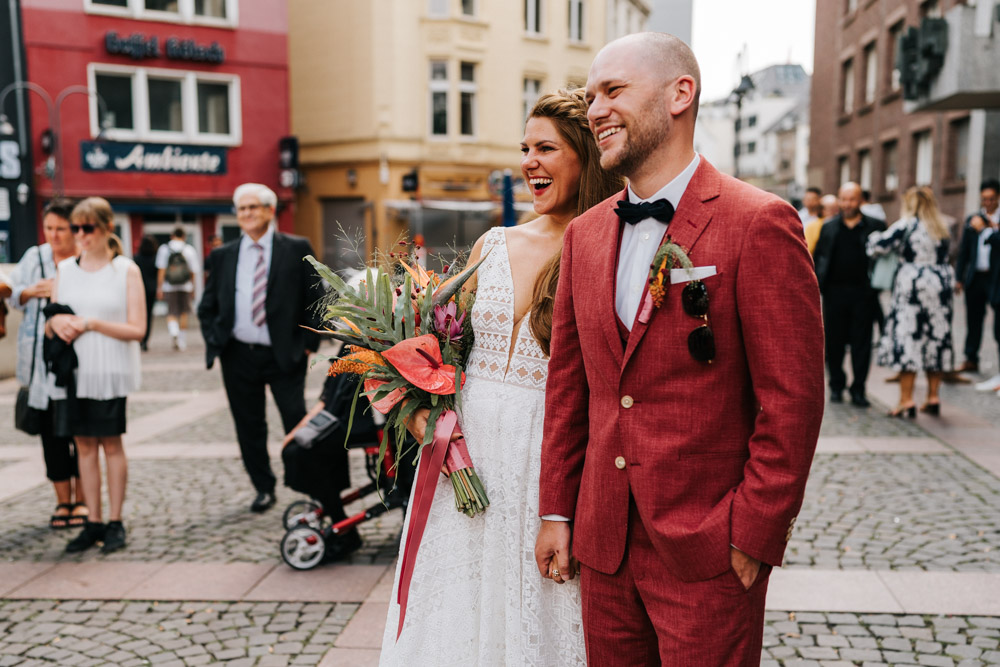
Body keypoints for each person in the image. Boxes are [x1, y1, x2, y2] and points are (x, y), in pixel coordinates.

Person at [534, 34, 824, 664]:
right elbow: (569, 389)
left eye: (613, 91)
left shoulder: (759, 222)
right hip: (603, 546)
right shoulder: (584, 237)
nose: (595, 110)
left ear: (679, 95)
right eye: (590, 97)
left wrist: (753, 532)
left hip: (708, 551)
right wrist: (557, 511)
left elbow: (793, 399)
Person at [379, 89, 623, 665]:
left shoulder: (608, 247)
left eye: (546, 148)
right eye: (525, 149)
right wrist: (415, 407)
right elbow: (428, 338)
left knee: (533, 602)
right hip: (463, 453)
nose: (528, 162)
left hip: (546, 454)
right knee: (454, 600)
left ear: (584, 158)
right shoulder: (493, 243)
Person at [198, 183, 324, 513]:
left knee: (296, 420)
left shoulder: (296, 248)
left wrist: (309, 344)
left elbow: (317, 298)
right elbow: (207, 304)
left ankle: (309, 484)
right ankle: (263, 487)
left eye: (253, 207)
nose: (247, 214)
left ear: (269, 211)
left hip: (284, 353)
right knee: (248, 425)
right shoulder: (223, 255)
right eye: (241, 209)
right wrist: (216, 340)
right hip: (237, 354)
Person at [46, 197, 145, 553]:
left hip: (110, 369)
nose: (81, 235)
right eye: (76, 228)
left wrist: (92, 323)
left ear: (106, 229)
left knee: (111, 444)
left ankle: (115, 521)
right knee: (83, 448)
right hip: (74, 372)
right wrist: (55, 321)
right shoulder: (65, 270)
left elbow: (138, 328)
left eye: (88, 227)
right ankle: (93, 521)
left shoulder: (125, 270)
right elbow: (51, 321)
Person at [8, 199, 87, 529]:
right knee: (50, 436)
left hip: (78, 359)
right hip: (39, 362)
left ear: (76, 228)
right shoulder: (34, 257)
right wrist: (29, 292)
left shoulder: (85, 257)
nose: (54, 236)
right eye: (49, 228)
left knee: (81, 433)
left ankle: (84, 499)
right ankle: (62, 501)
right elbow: (12, 295)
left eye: (61, 229)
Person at [867, 187, 955, 416]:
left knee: (909, 338)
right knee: (937, 338)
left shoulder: (906, 225)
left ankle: (906, 400)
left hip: (913, 286)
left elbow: (878, 246)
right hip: (940, 284)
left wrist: (873, 236)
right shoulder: (942, 226)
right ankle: (933, 396)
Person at [813, 182, 886, 407]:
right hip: (834, 294)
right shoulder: (829, 227)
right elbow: (819, 257)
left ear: (860, 200)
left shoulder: (875, 226)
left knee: (861, 344)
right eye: (843, 199)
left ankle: (859, 389)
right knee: (834, 343)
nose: (847, 204)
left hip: (864, 294)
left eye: (852, 199)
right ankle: (836, 385)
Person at [955, 179, 1000, 384]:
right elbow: (963, 250)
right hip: (976, 276)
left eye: (991, 199)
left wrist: (989, 228)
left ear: (998, 198)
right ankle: (971, 357)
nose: (987, 203)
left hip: (995, 278)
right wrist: (959, 278)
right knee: (974, 319)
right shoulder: (973, 219)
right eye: (984, 199)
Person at [155, 226, 200, 351]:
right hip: (185, 286)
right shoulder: (189, 249)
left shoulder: (164, 249)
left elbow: (161, 270)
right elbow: (193, 271)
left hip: (169, 286)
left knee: (171, 311)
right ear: (184, 236)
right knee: (184, 312)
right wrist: (193, 287)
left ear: (172, 235)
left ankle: (174, 331)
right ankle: (182, 340)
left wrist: (159, 288)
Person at [134, 235, 158, 351]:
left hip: (139, 289)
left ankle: (140, 338)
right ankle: (146, 340)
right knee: (148, 315)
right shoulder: (156, 258)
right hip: (152, 290)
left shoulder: (136, 258)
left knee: (138, 314)